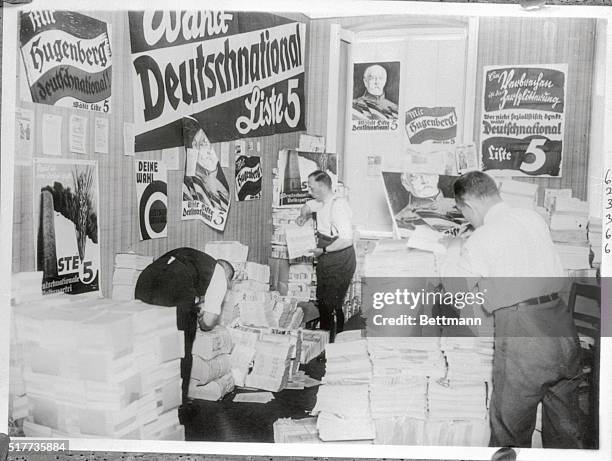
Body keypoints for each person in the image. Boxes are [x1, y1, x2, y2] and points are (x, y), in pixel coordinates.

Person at [451, 171, 582, 448]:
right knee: (567, 430)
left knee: (510, 433)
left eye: (465, 215)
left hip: (524, 337)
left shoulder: (480, 239)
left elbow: (458, 292)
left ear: (469, 206)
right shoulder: (533, 218)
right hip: (562, 327)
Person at [134, 248, 234, 403]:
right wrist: (200, 319)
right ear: (227, 277)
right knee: (181, 342)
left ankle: (144, 396)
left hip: (146, 278)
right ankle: (178, 403)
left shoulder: (198, 260)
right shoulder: (220, 275)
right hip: (175, 282)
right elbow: (208, 322)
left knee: (148, 337)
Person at [296, 170, 356, 342]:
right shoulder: (322, 201)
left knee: (329, 304)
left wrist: (323, 251)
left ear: (322, 187)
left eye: (311, 187)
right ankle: (328, 339)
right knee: (324, 300)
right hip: (327, 254)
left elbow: (346, 240)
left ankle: (330, 342)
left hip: (339, 256)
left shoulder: (337, 206)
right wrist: (302, 216)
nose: (309, 190)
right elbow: (308, 206)